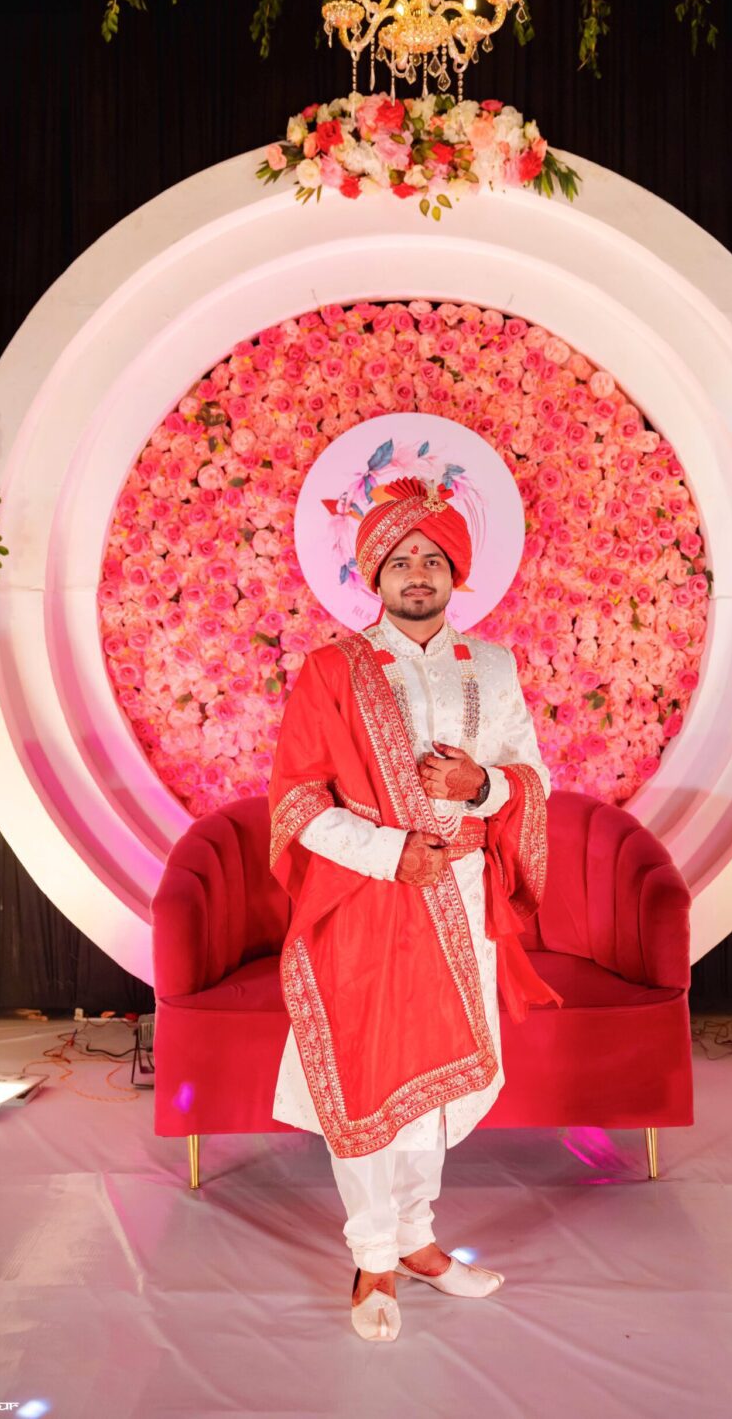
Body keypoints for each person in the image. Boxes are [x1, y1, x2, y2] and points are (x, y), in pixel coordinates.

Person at [268, 475, 561, 1341]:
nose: (418, 572)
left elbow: (533, 779)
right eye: (400, 560)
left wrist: (482, 784)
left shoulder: (494, 667)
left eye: (433, 557)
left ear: (456, 570)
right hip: (364, 895)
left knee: (433, 1077)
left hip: (461, 894)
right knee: (371, 1075)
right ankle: (373, 1255)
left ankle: (418, 1238)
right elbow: (297, 800)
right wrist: (391, 852)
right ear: (375, 575)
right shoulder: (332, 670)